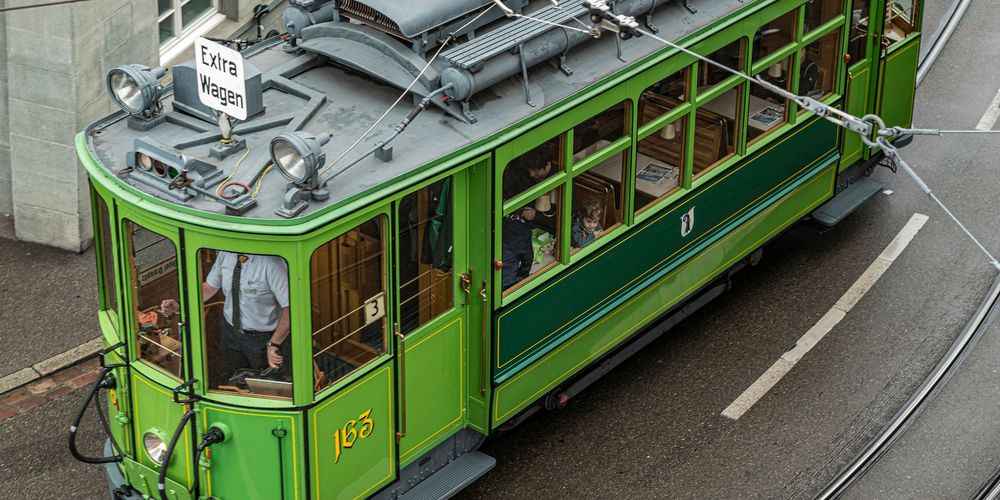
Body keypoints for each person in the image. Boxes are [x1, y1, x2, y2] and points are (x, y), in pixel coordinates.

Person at [188, 252, 292, 385]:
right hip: (230, 332)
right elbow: (209, 288)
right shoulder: (225, 254)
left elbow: (291, 308)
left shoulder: (273, 265)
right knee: (234, 377)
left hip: (262, 339)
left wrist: (274, 344)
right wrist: (180, 303)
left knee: (264, 384)